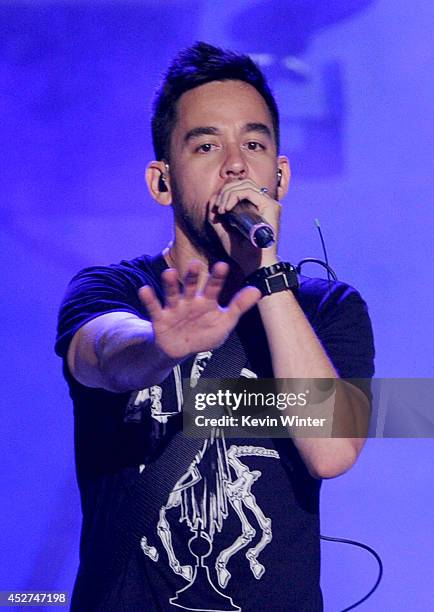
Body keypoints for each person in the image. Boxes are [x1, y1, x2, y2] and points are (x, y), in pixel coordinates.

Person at [56, 42, 375, 612]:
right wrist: (159, 344)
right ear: (162, 182)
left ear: (279, 176)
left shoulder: (329, 308)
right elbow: (100, 353)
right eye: (206, 145)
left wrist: (268, 275)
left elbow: (331, 453)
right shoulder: (114, 290)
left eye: (254, 144)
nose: (235, 165)